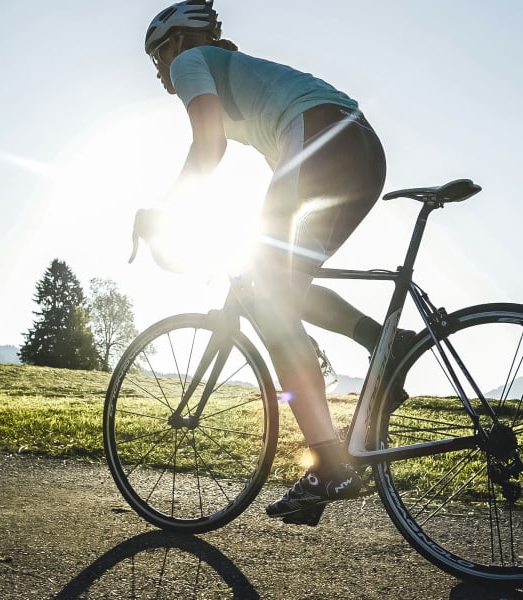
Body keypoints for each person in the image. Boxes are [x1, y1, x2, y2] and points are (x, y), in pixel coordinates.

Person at [141, 0, 410, 521]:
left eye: (157, 55)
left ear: (176, 42)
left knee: (271, 300)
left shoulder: (191, 62)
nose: (159, 72)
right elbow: (277, 178)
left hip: (321, 137)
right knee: (282, 284)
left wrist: (165, 212)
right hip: (360, 149)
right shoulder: (247, 83)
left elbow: (208, 146)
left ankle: (328, 464)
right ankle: (383, 343)